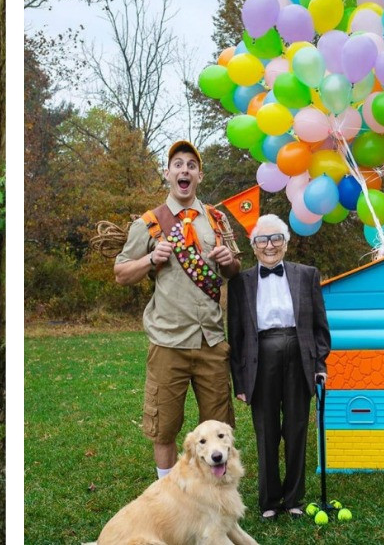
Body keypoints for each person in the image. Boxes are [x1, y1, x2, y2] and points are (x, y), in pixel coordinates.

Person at [114, 140, 241, 480]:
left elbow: (234, 269)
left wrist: (229, 261)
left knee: (218, 427)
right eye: (178, 165)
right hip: (168, 341)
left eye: (191, 165)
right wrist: (148, 259)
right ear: (168, 174)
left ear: (199, 175)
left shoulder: (216, 219)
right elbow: (121, 272)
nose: (184, 170)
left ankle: (216, 499)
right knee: (164, 427)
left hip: (211, 341)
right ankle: (168, 498)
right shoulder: (149, 222)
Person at [226, 214, 331, 520]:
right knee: (266, 431)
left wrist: (319, 362)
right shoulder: (240, 282)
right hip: (261, 358)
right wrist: (241, 382)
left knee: (297, 428)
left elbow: (319, 325)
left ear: (286, 242)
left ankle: (294, 498)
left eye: (276, 239)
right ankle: (270, 501)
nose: (269, 245)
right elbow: (237, 335)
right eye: (262, 240)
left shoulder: (307, 275)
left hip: (300, 355)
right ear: (253, 245)